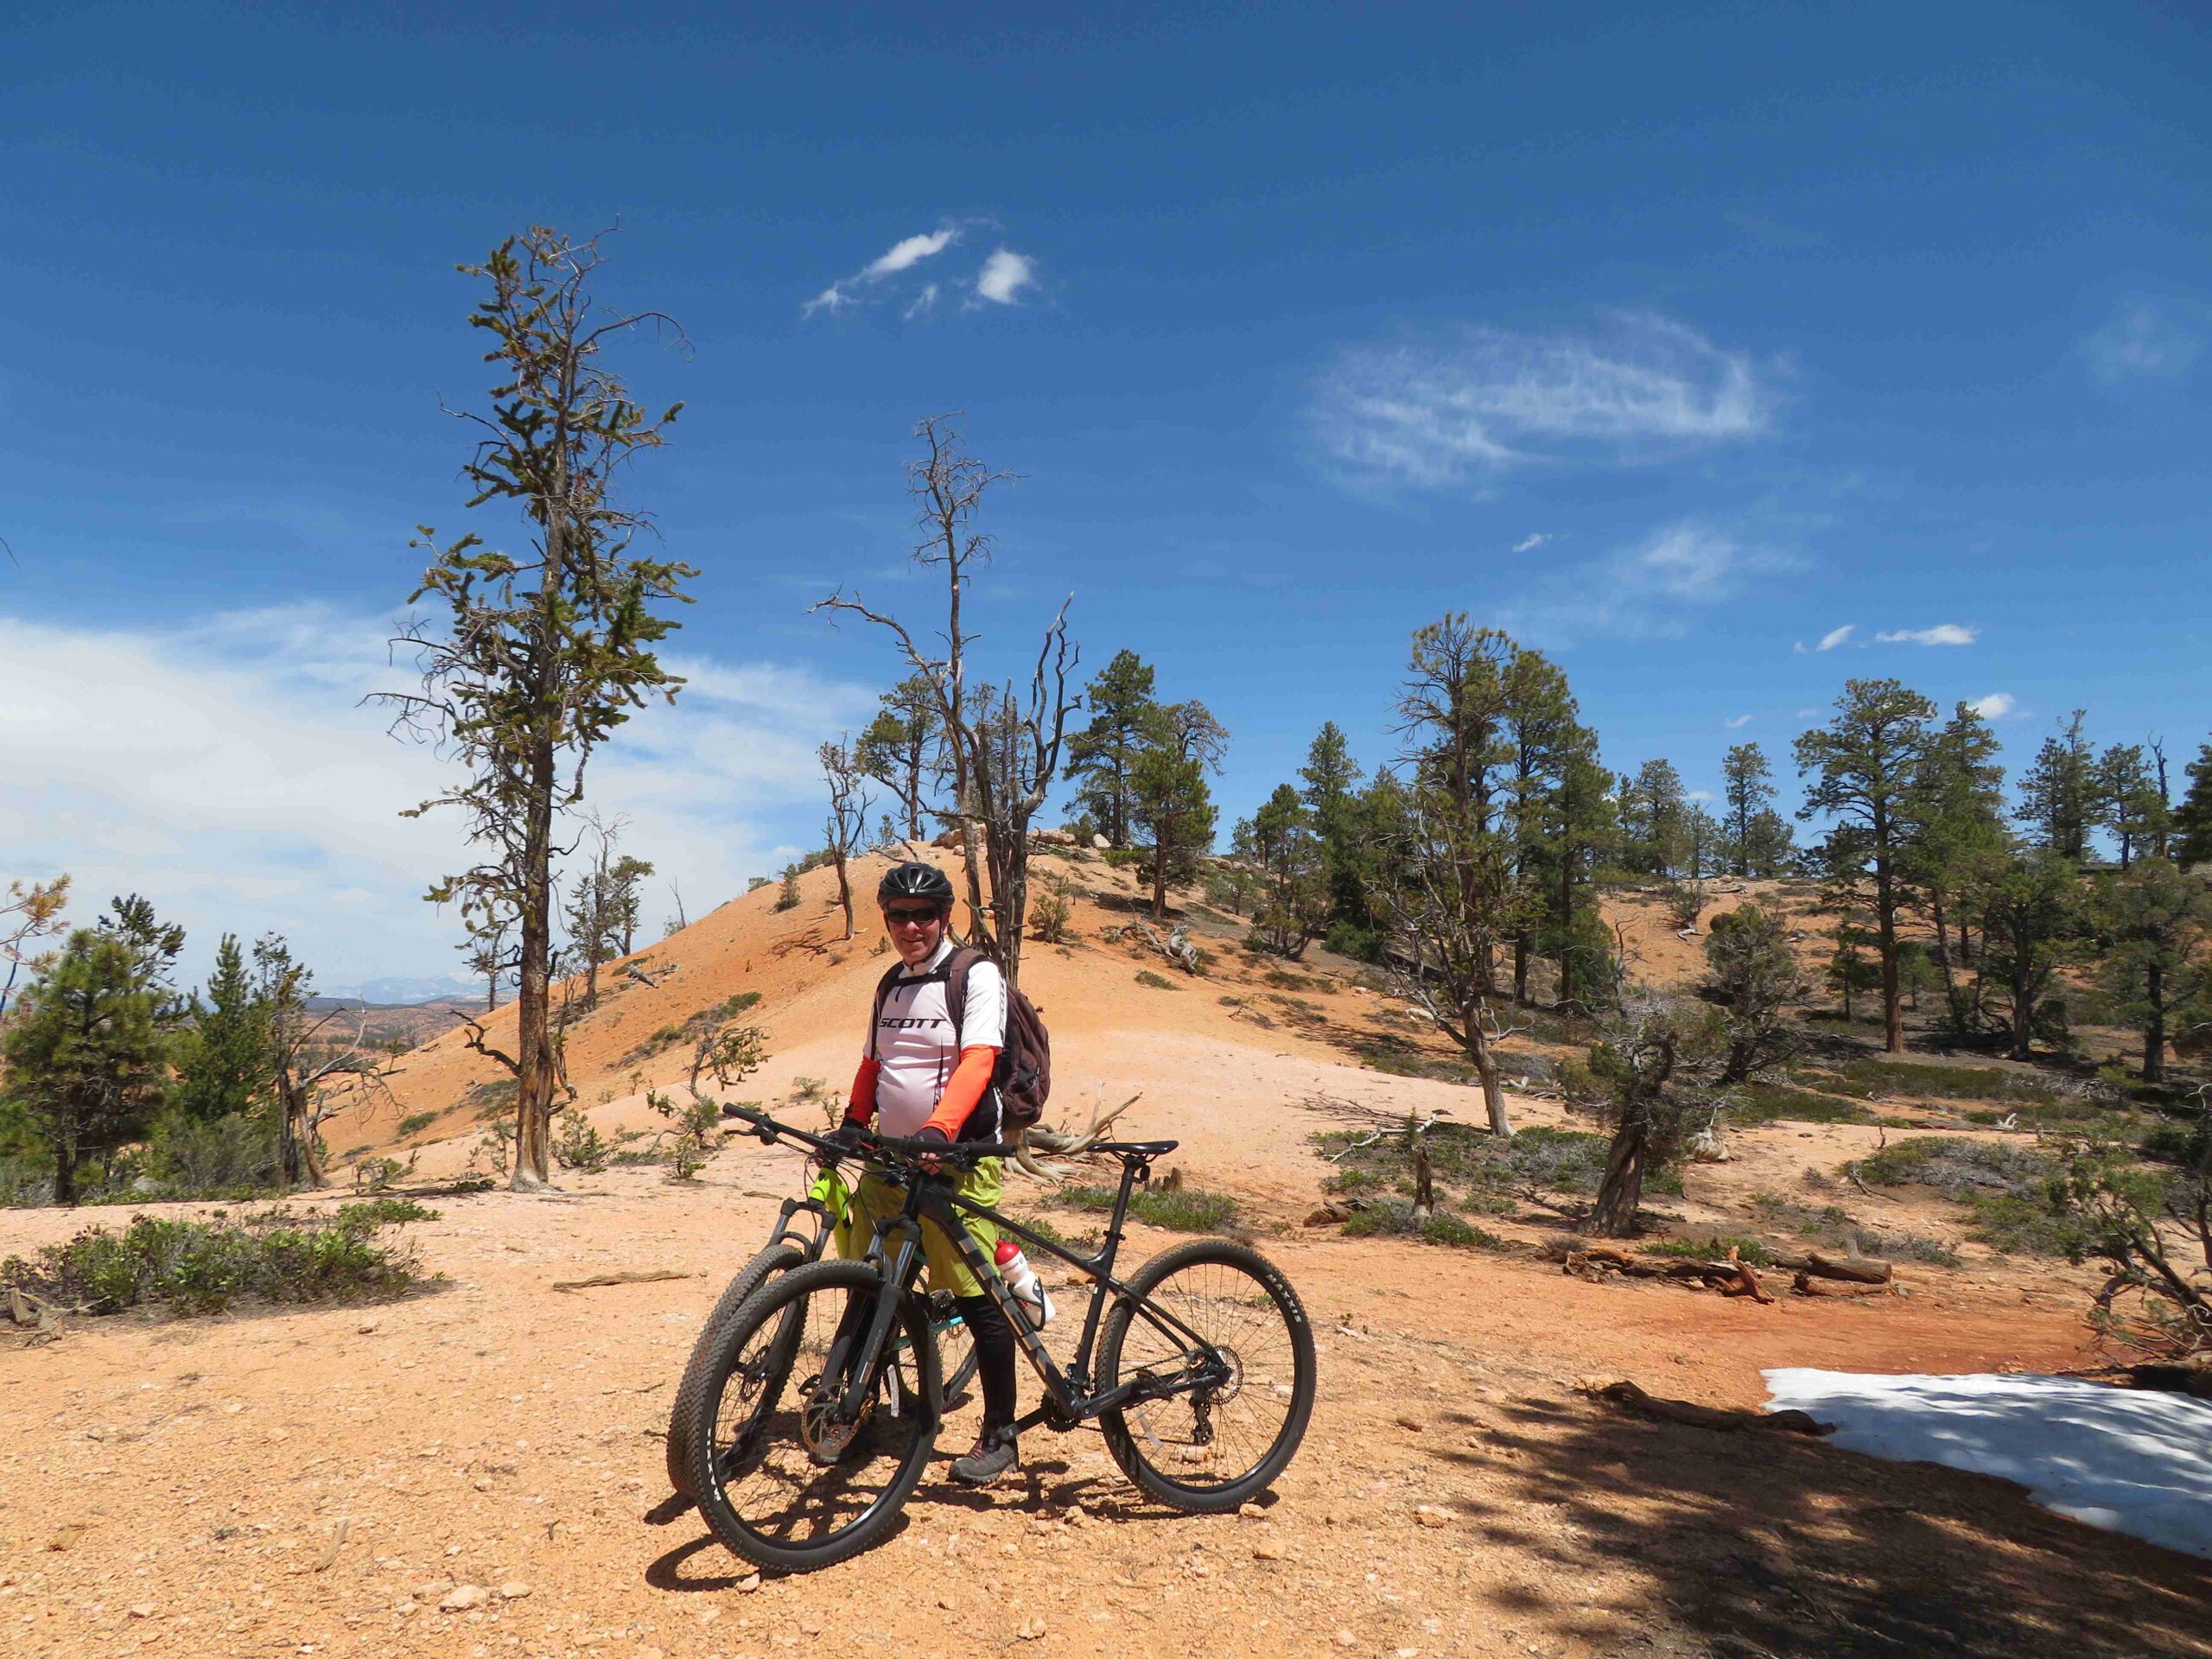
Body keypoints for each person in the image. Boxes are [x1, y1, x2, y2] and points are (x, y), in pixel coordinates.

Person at [830, 860, 1021, 1485]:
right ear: (886, 919)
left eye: (924, 916)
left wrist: (940, 1130)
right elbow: (873, 1063)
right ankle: (852, 1409)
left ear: (945, 917)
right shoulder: (890, 983)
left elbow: (979, 1061)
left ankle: (1001, 1432)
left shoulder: (975, 974)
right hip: (891, 1159)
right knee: (870, 1283)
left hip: (958, 1161)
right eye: (899, 916)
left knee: (976, 1295)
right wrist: (853, 1121)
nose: (911, 927)